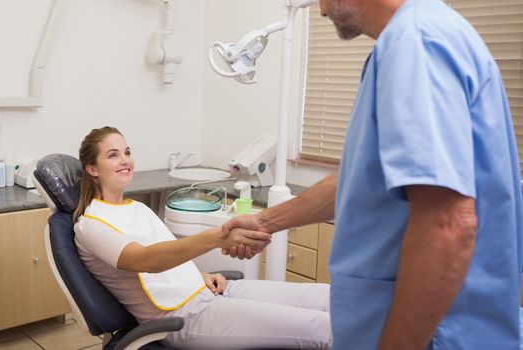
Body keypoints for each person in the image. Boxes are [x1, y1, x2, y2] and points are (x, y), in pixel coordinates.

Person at [222, 0, 523, 349]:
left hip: (434, 335)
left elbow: (447, 225)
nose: (320, 11)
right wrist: (267, 221)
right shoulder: (417, 37)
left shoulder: (416, 44)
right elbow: (361, 181)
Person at [73, 126, 332, 350]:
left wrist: (199, 276)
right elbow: (146, 260)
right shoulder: (91, 225)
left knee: (328, 297)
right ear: (92, 168)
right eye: (113, 155)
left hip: (210, 291)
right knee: (324, 329)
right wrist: (217, 238)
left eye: (127, 152)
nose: (125, 160)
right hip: (183, 316)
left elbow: (168, 253)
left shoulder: (136, 208)